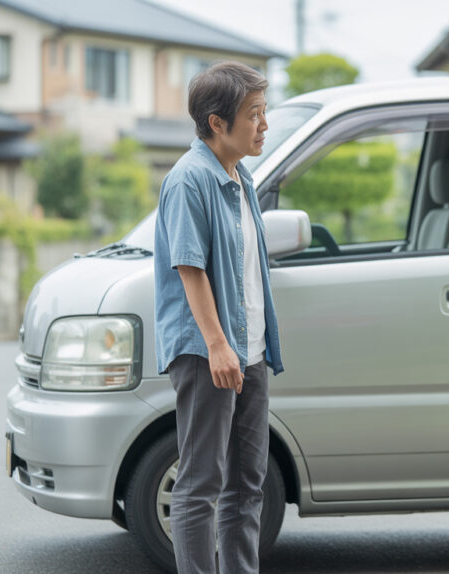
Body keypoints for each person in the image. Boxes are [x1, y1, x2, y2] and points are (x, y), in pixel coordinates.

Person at [153, 61, 283, 574]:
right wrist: (217, 345)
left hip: (246, 351)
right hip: (210, 353)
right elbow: (190, 268)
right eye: (254, 115)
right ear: (216, 123)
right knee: (201, 482)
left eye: (264, 112)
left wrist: (245, 345)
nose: (263, 125)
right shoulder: (190, 180)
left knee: (247, 482)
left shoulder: (240, 176)